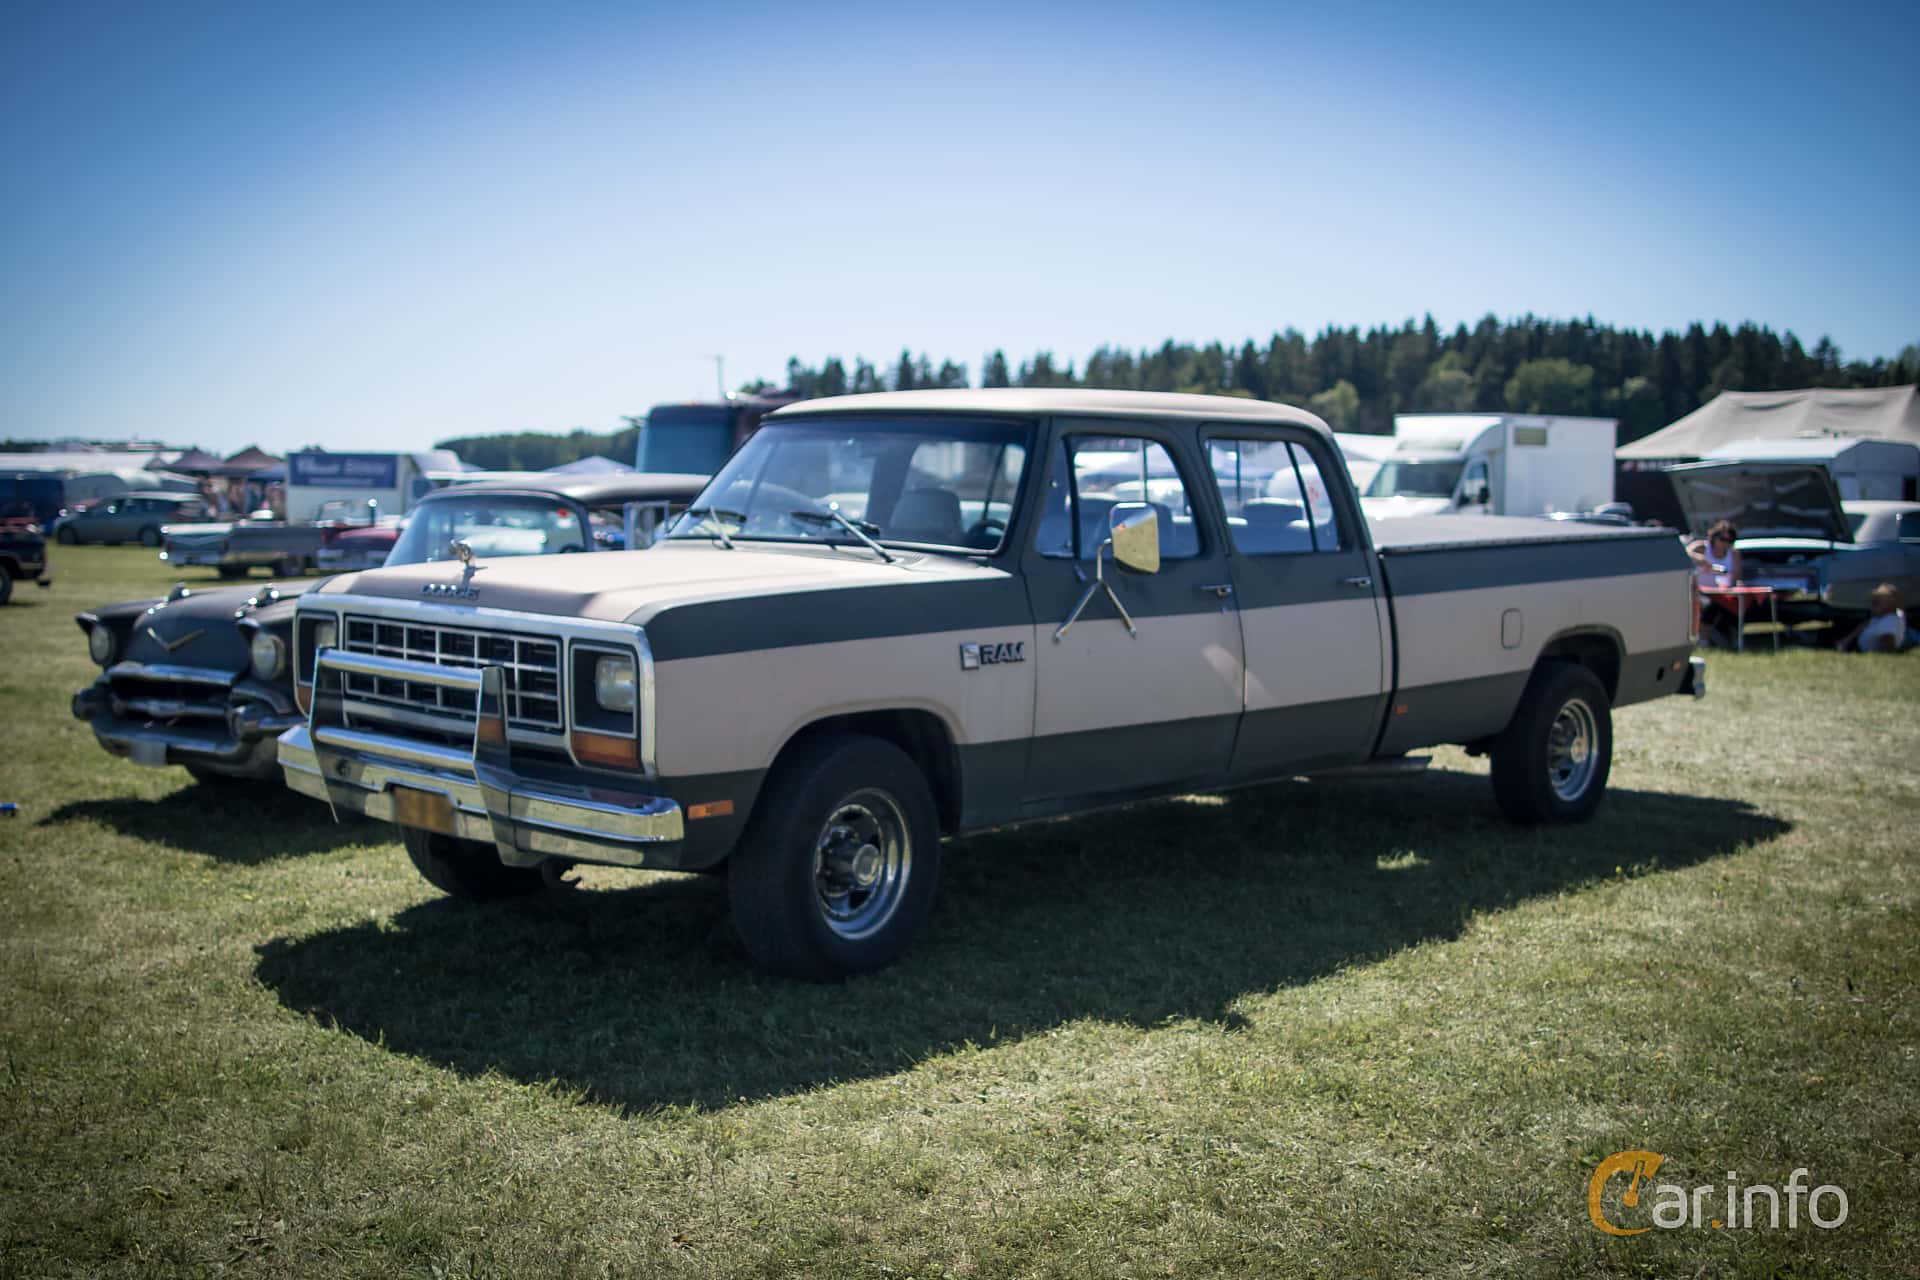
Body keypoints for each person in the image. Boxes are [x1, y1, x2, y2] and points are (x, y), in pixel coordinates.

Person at [1686, 520, 1741, 646]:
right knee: (1713, 606)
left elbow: (1736, 576)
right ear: (1714, 537)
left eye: (1729, 541)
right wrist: (1701, 560)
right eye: (1722, 539)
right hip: (1699, 592)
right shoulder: (1702, 547)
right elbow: (1685, 552)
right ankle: (1703, 639)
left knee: (1733, 606)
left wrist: (1732, 583)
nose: (1725, 544)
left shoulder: (1734, 554)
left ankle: (1734, 639)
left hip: (1723, 592)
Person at [1838, 584, 1909, 654]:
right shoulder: (1883, 617)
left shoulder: (1889, 622)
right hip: (1854, 644)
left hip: (1859, 650)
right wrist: (1846, 641)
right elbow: (1866, 623)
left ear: (1890, 604)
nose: (1872, 606)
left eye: (1876, 603)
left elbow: (1889, 647)